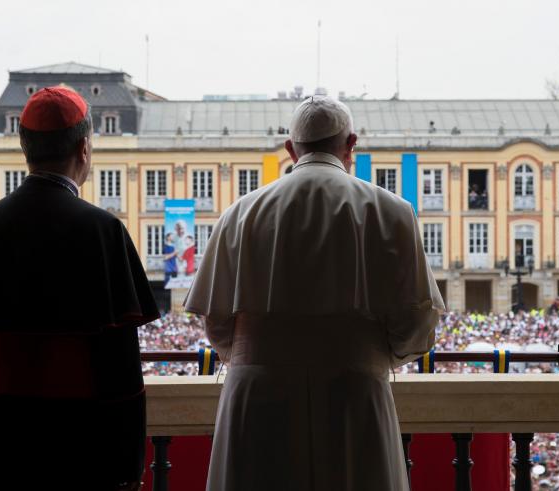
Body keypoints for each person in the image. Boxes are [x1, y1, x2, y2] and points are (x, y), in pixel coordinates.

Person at [185, 95, 444, 490]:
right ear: (351, 145)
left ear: (291, 149)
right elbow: (416, 328)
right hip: (354, 396)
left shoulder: (239, 213)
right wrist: (367, 353)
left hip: (257, 399)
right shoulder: (392, 211)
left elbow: (217, 327)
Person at [0, 87, 159, 490]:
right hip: (81, 438)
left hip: (0, 434)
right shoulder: (103, 230)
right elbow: (121, 368)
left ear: (25, 149)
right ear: (84, 148)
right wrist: (128, 464)